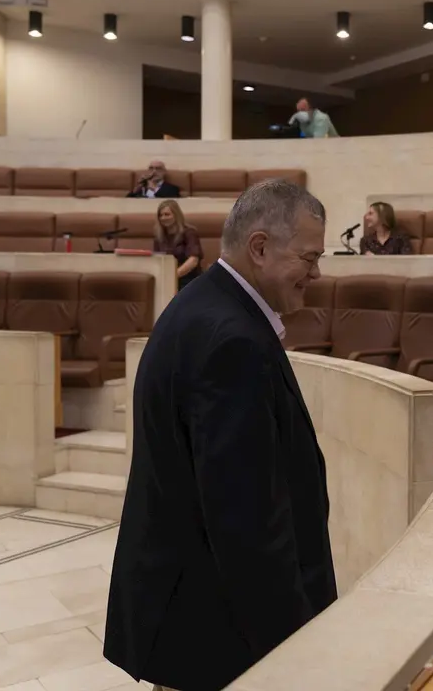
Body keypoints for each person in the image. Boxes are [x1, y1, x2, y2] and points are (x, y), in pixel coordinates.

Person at [104, 179, 337, 691]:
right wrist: (293, 652)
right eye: (309, 257)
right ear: (260, 248)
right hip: (213, 634)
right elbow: (248, 524)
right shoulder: (232, 342)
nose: (317, 273)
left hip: (195, 615)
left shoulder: (205, 308)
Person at [153, 200, 203, 291]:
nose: (163, 218)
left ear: (176, 215)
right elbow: (156, 259)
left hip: (188, 280)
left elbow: (193, 260)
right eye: (160, 215)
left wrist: (173, 276)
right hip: (166, 279)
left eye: (167, 214)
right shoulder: (159, 236)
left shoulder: (189, 232)